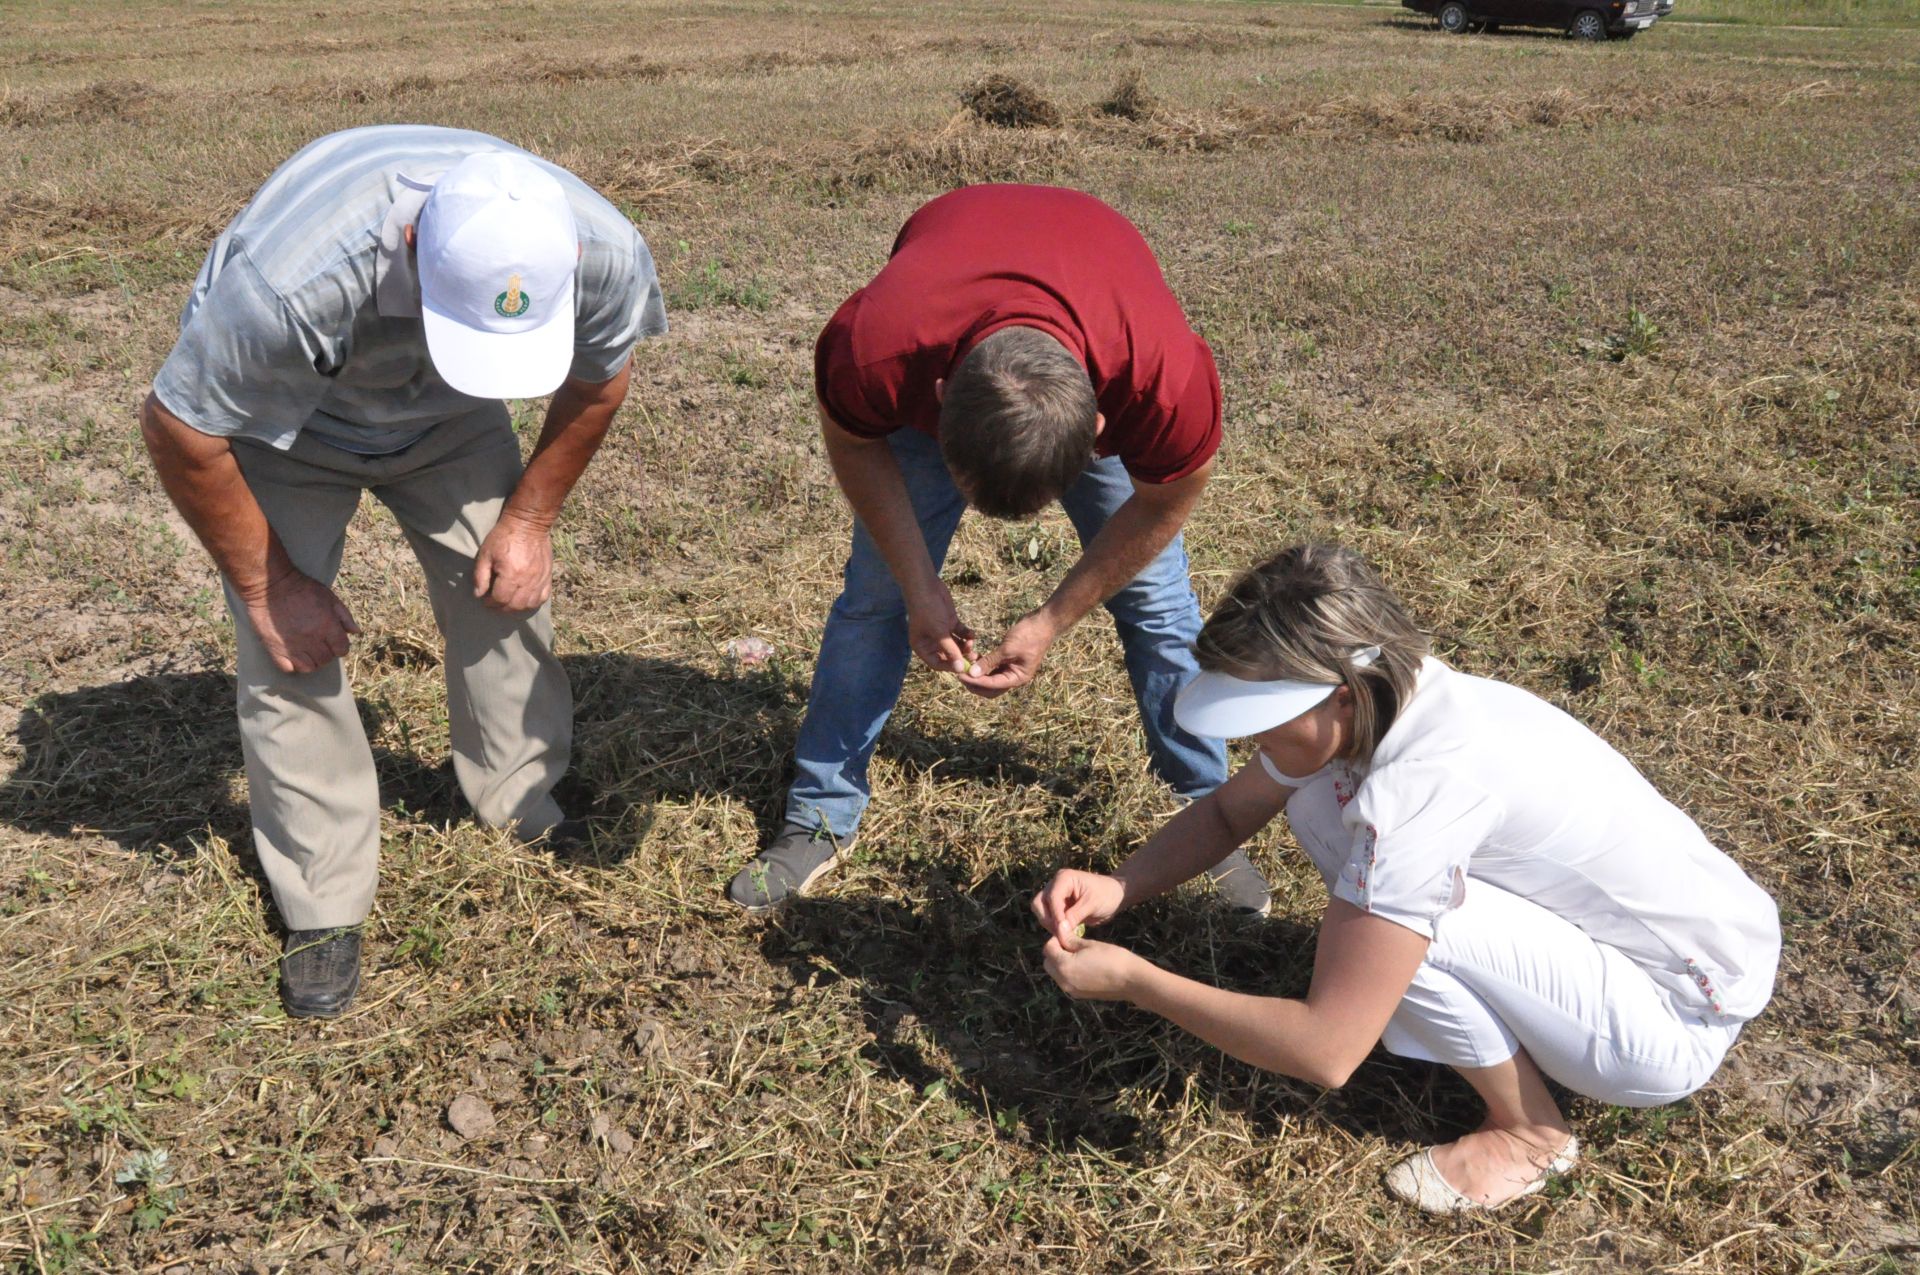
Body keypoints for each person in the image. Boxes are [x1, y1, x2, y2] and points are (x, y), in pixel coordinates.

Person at [1031, 544, 1780, 1213]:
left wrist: (1138, 981)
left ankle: (1530, 1131)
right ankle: (1424, 983)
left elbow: (1327, 1050)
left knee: (1409, 904)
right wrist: (1121, 885)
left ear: (1343, 694)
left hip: (1672, 1016)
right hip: (1693, 950)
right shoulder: (1406, 698)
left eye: (1264, 715)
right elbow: (1230, 813)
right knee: (1326, 805)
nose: (1251, 738)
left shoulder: (1419, 794)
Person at [139, 126, 667, 1017]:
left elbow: (599, 381)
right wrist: (273, 587)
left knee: (506, 588)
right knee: (288, 647)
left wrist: (529, 518)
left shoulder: (603, 248)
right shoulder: (293, 280)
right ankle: (323, 898)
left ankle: (522, 797)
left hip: (451, 418)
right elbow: (180, 428)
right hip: (291, 421)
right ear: (414, 245)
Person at [726, 184, 1269, 915]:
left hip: (1094, 317)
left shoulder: (1164, 379)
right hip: (950, 317)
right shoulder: (879, 346)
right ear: (940, 396)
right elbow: (854, 443)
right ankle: (817, 816)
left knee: (1157, 603)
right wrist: (918, 585)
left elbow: (1165, 501)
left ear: (1102, 427)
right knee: (876, 601)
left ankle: (1206, 817)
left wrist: (1051, 618)